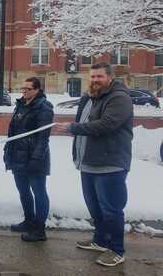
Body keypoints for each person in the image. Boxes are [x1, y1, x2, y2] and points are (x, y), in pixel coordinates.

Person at [54, 62, 133, 268]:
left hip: (110, 164)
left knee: (112, 209)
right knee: (95, 207)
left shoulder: (119, 98)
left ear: (110, 77)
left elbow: (107, 125)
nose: (95, 80)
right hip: (88, 163)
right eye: (93, 77)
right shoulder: (89, 97)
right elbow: (85, 123)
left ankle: (116, 250)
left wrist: (73, 127)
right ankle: (100, 240)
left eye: (99, 77)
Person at [4, 77, 53, 242]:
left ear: (37, 90)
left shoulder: (44, 107)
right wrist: (8, 152)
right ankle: (29, 220)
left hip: (35, 158)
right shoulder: (20, 105)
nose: (24, 91)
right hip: (18, 156)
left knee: (39, 193)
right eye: (23, 88)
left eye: (28, 89)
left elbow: (43, 138)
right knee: (24, 192)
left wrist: (36, 159)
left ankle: (39, 229)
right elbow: (13, 131)